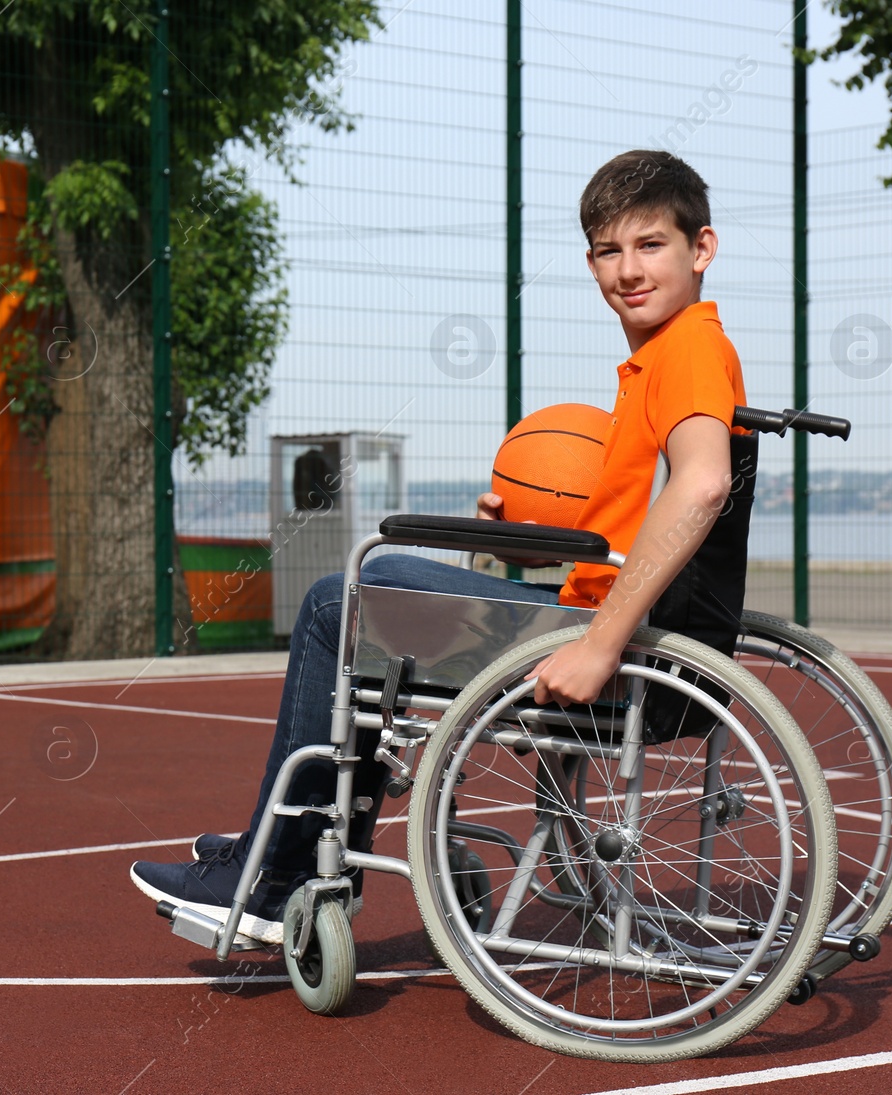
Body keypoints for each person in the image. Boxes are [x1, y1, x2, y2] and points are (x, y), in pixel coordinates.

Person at [129, 149, 748, 944]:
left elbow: (701, 485)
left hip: (622, 654)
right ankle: (291, 854)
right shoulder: (662, 355)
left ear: (702, 248)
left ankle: (278, 873)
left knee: (340, 600)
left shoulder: (689, 350)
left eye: (651, 245)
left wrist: (598, 643)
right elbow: (626, 539)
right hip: (622, 627)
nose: (628, 270)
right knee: (378, 593)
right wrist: (519, 549)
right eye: (608, 250)